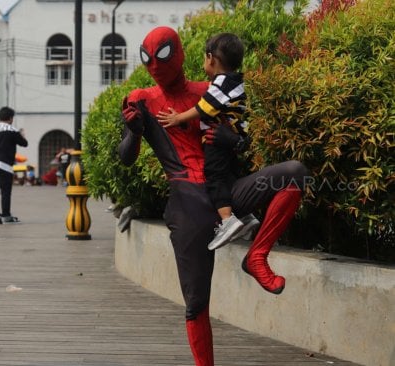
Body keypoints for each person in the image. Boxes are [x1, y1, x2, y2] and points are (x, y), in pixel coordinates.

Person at [119, 26, 308, 366]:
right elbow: (126, 157)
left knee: (294, 174)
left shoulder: (211, 90)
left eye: (162, 55)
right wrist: (133, 133)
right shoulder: (141, 100)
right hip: (188, 201)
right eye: (148, 58)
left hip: (224, 190)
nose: (155, 65)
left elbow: (243, 141)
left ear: (182, 55)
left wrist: (229, 139)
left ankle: (257, 256)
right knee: (196, 302)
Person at [157, 33, 259, 250]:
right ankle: (247, 217)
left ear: (211, 58)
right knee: (230, 177)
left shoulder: (221, 82)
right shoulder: (236, 81)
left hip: (218, 140)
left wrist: (178, 118)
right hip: (233, 138)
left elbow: (205, 107)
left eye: (205, 58)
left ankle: (227, 222)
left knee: (214, 177)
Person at [0, 106, 28, 224]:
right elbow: (24, 143)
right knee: (5, 191)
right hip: (4, 164)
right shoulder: (12, 130)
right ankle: (6, 216)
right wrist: (22, 134)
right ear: (10, 118)